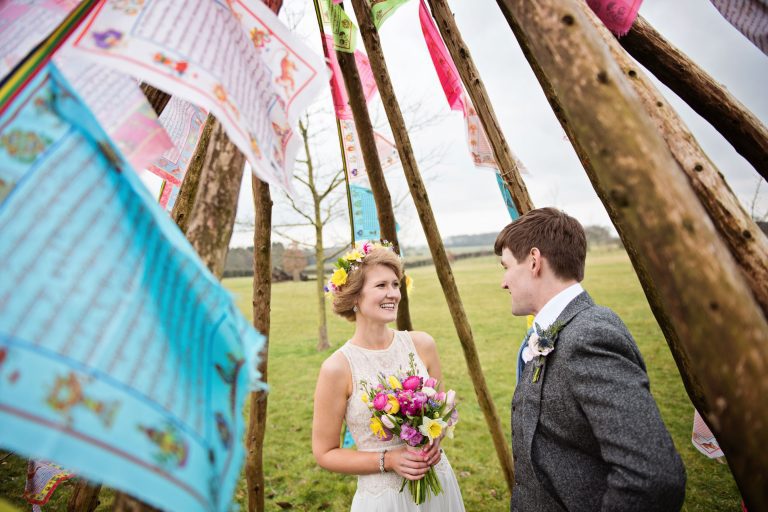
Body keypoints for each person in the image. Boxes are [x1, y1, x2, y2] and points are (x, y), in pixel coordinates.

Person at [495, 208, 686, 511]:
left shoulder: (589, 336)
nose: (503, 282)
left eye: (505, 267)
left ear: (534, 261)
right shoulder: (558, 329)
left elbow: (652, 478)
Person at [312, 242, 465, 511]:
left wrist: (434, 438)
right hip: (384, 499)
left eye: (396, 284)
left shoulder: (423, 345)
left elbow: (439, 416)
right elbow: (325, 453)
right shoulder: (337, 368)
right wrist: (389, 460)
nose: (393, 293)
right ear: (355, 297)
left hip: (437, 483)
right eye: (381, 286)